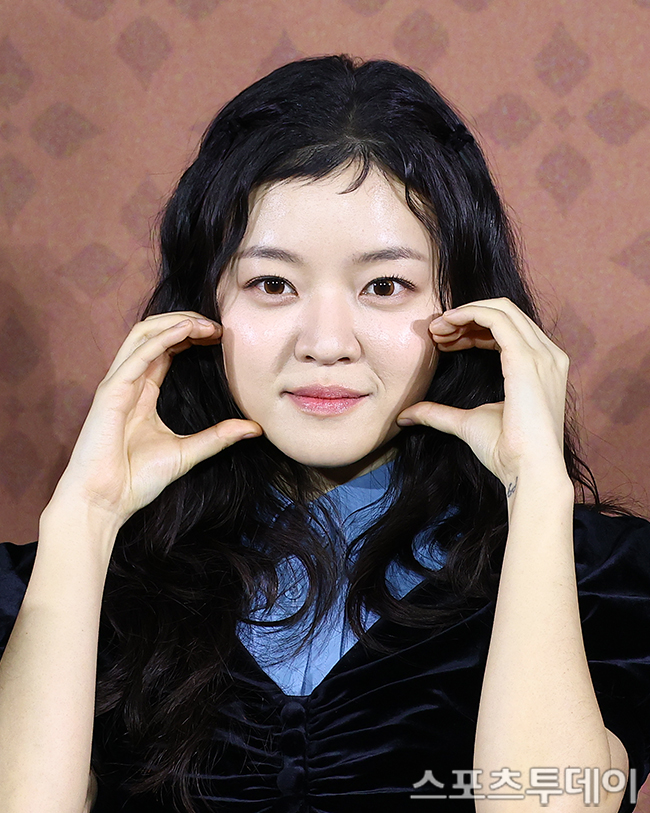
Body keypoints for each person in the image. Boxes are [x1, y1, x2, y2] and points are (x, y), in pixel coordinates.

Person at [0, 53, 648, 813]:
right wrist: (84, 519)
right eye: (273, 283)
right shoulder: (75, 577)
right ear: (203, 305)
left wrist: (537, 494)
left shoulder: (602, 579)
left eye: (385, 285)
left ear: (468, 306)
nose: (327, 343)